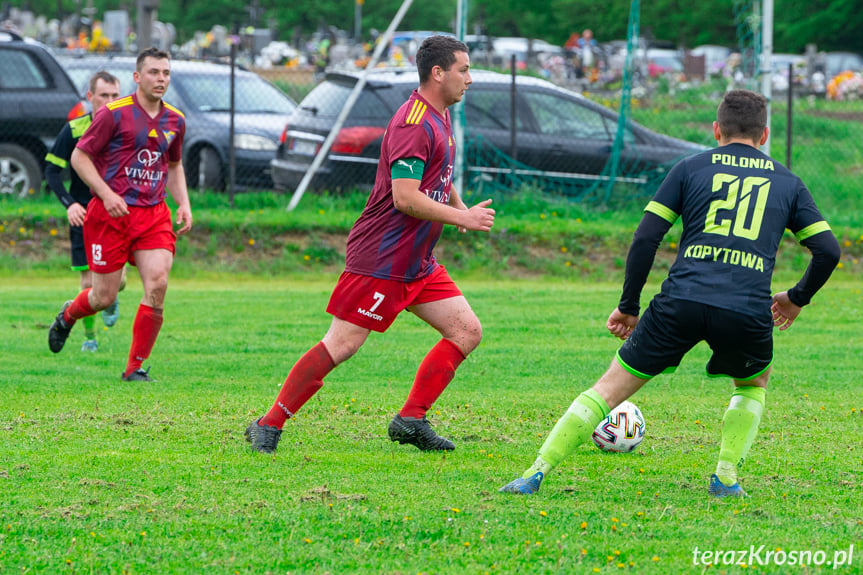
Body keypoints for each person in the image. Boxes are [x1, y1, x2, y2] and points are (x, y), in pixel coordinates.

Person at [500, 89, 840, 497]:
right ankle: (726, 479)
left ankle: (534, 474)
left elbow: (646, 237)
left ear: (717, 130)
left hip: (681, 300)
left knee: (609, 387)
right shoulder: (788, 181)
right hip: (745, 307)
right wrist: (796, 297)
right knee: (752, 384)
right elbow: (828, 250)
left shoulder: (690, 167)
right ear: (764, 135)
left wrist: (629, 306)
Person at [245, 35, 495, 454]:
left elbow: (438, 173)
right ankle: (267, 424)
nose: (470, 78)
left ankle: (411, 420)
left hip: (418, 262)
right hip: (382, 258)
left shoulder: (439, 115)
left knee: (467, 330)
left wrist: (457, 203)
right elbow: (405, 196)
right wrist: (462, 218)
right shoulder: (414, 122)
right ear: (438, 73)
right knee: (342, 344)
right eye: (463, 69)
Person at [47, 47, 192, 382]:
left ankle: (134, 368)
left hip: (153, 214)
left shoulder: (175, 120)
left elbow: (173, 165)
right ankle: (69, 316)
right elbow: (80, 158)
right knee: (104, 296)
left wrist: (183, 202)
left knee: (158, 283)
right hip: (110, 215)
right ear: (137, 77)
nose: (161, 79)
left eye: (166, 73)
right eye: (154, 72)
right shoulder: (113, 114)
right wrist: (107, 193)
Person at [45, 70, 127, 352]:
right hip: (85, 214)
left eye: (115, 95)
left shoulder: (126, 129)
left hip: (117, 213)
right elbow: (52, 171)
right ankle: (89, 339)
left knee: (120, 282)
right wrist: (71, 204)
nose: (110, 101)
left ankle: (111, 297)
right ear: (90, 97)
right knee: (87, 279)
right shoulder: (75, 130)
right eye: (104, 95)